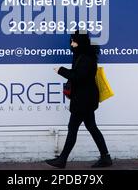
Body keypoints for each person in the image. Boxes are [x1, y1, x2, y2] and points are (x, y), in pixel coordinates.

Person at [45, 31, 112, 169]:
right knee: (91, 127)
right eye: (71, 41)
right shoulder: (82, 55)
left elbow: (78, 77)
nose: (72, 44)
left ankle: (62, 160)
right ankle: (105, 157)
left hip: (83, 101)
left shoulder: (86, 58)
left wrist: (61, 70)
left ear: (80, 42)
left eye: (74, 41)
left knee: (73, 128)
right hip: (85, 99)